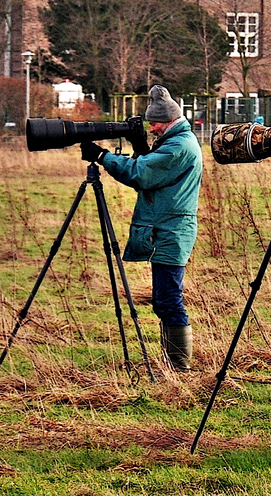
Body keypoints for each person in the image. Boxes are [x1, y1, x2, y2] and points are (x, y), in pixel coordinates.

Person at [81, 85, 202, 369]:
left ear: (169, 120)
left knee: (169, 299)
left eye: (154, 124)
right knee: (163, 300)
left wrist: (102, 157)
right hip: (167, 229)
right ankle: (174, 364)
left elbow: (143, 173)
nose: (152, 129)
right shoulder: (176, 139)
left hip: (172, 231)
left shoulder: (180, 145)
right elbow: (150, 165)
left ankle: (180, 368)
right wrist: (139, 147)